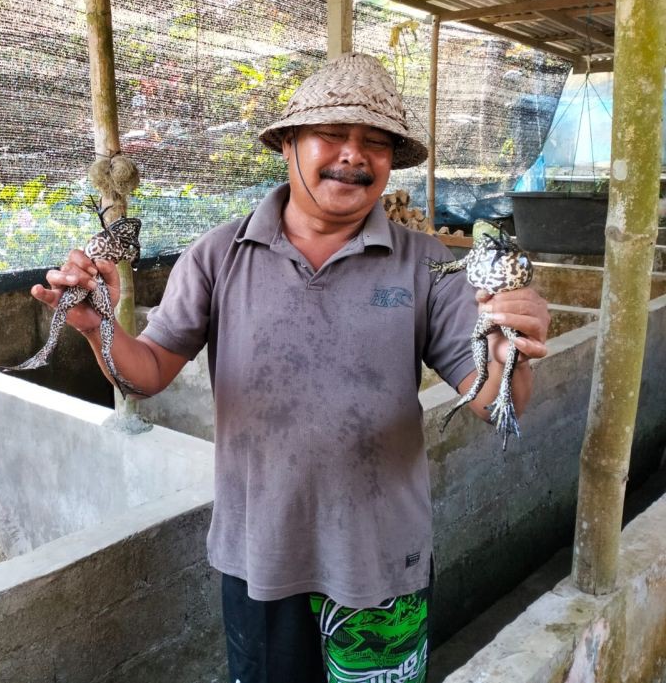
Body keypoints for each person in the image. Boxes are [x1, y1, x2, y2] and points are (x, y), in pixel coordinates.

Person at [30, 52, 550, 683]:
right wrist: (98, 327)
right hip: (261, 559)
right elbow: (148, 373)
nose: (354, 155)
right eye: (332, 135)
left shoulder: (428, 263)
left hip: (380, 563)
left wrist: (509, 347)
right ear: (287, 145)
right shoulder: (218, 255)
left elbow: (493, 399)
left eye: (375, 143)